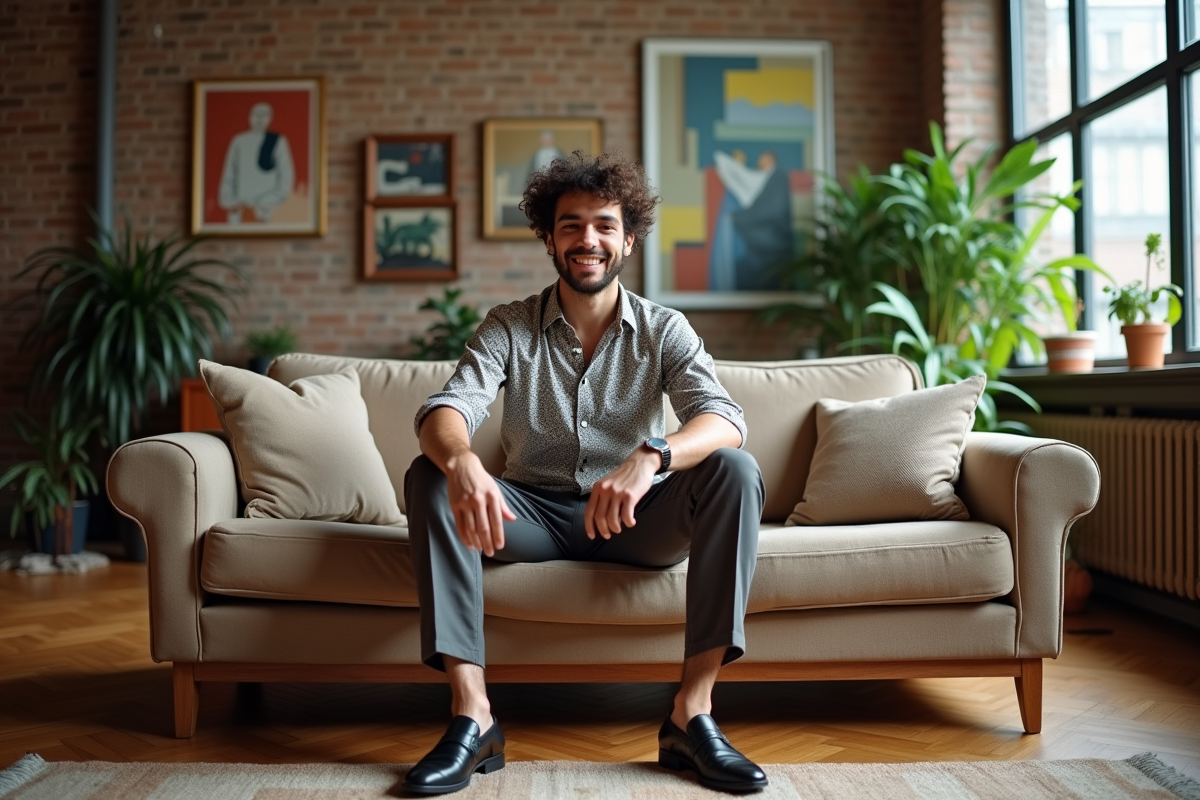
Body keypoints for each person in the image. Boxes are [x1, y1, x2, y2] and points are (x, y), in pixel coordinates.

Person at [401, 151, 768, 795]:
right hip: (530, 518)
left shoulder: (664, 330)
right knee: (429, 473)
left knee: (734, 470)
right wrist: (461, 460)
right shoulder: (509, 326)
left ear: (628, 239)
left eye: (604, 225)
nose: (587, 240)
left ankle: (693, 713)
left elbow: (724, 418)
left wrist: (652, 455)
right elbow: (447, 409)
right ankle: (473, 715)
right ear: (549, 238)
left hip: (636, 519)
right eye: (571, 225)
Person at [217, 102, 294, 224]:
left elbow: (286, 176)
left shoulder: (277, 141)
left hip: (268, 210)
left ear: (269, 118)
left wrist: (266, 201)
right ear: (250, 116)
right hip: (240, 210)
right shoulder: (239, 141)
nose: (259, 119)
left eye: (264, 115)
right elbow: (229, 174)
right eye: (256, 115)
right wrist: (230, 201)